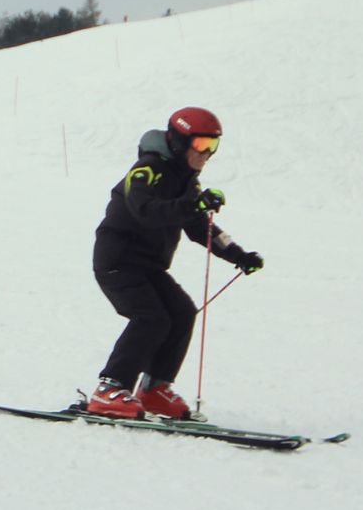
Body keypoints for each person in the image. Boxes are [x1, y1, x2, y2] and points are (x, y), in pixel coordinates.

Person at [88, 107, 264, 419]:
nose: (207, 154)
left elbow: (200, 228)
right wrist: (192, 204)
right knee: (151, 318)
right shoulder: (147, 170)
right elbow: (147, 211)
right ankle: (109, 389)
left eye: (213, 146)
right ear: (178, 141)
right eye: (200, 145)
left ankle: (154, 390)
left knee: (182, 313)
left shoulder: (187, 182)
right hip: (119, 261)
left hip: (149, 266)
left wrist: (239, 255)